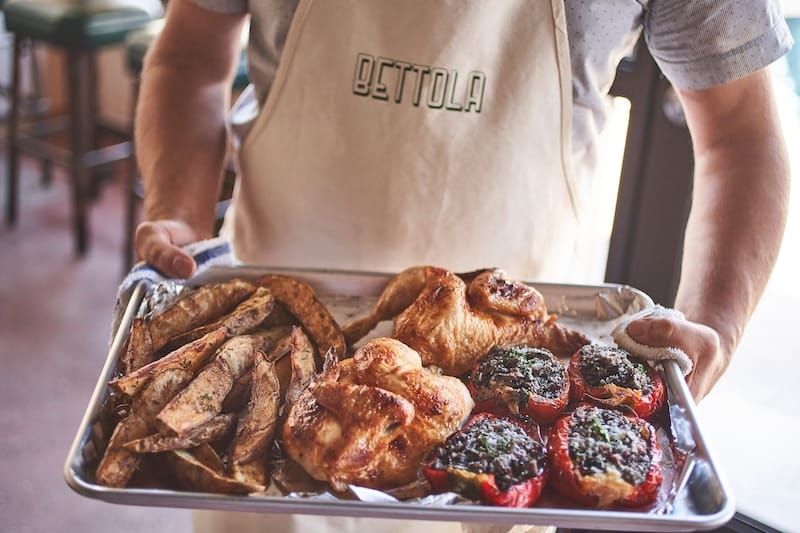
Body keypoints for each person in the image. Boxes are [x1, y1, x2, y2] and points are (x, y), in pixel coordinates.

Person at [131, 1, 792, 532]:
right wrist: (181, 218)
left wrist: (716, 325)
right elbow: (191, 52)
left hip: (497, 419)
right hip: (272, 394)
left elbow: (742, 134)